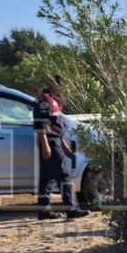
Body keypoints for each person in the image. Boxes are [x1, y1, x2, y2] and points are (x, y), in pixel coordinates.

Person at [34, 86, 89, 220]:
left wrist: (64, 144)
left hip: (55, 141)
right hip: (50, 143)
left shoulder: (53, 101)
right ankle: (71, 209)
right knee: (65, 174)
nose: (62, 91)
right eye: (60, 88)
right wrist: (46, 146)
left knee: (46, 179)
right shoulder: (43, 101)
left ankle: (44, 211)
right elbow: (41, 126)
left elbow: (57, 126)